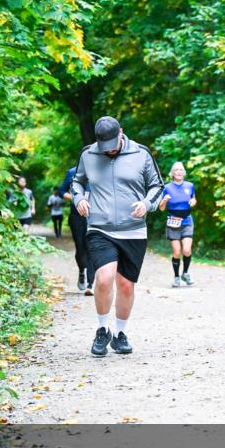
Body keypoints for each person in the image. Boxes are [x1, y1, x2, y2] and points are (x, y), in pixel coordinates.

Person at [71, 116, 164, 357]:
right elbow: (76, 183)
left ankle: (120, 334)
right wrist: (79, 199)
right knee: (103, 278)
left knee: (125, 285)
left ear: (121, 133)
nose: (109, 150)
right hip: (100, 228)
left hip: (133, 229)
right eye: (105, 146)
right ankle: (102, 330)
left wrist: (146, 204)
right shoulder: (88, 154)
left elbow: (157, 186)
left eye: (112, 145)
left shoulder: (141, 153)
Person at [158, 161, 197, 288]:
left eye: (181, 170)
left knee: (187, 250)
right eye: (176, 170)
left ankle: (185, 273)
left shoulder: (190, 186)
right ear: (172, 173)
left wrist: (193, 201)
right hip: (173, 222)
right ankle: (176, 277)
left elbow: (193, 198)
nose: (179, 172)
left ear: (184, 172)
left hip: (187, 221)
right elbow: (161, 208)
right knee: (177, 251)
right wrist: (164, 200)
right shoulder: (167, 188)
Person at [59, 159, 94, 295]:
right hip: (77, 216)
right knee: (80, 248)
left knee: (92, 247)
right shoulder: (72, 172)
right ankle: (81, 271)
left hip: (94, 216)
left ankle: (90, 284)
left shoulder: (98, 171)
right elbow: (61, 191)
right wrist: (75, 198)